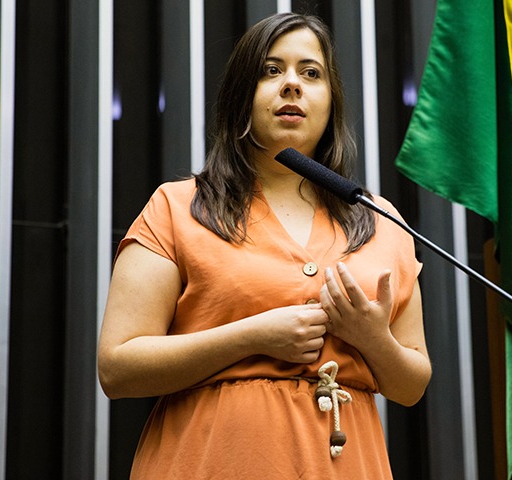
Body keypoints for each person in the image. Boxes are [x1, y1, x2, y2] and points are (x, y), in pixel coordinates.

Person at [98, 12, 431, 479]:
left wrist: (372, 339)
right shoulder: (177, 206)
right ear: (240, 96)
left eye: (311, 73)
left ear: (331, 101)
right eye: (271, 71)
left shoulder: (381, 219)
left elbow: (412, 386)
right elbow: (117, 368)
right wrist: (253, 336)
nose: (292, 84)